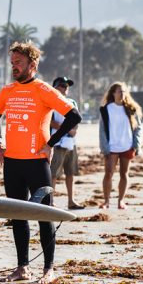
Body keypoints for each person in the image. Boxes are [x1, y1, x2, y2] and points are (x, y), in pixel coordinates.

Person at [0, 42, 81, 284]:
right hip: (12, 163)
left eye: (18, 63)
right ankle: (22, 267)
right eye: (12, 63)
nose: (14, 67)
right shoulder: (8, 90)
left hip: (37, 163)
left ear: (33, 64)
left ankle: (49, 269)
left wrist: (50, 143)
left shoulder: (43, 90)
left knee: (44, 216)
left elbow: (74, 116)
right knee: (18, 216)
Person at [99, 81, 143, 210]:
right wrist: (104, 147)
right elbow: (102, 130)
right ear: (113, 93)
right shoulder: (106, 109)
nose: (122, 93)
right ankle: (106, 201)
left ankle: (121, 201)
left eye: (124, 91)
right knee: (108, 174)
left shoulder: (131, 109)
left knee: (124, 174)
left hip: (127, 145)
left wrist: (136, 145)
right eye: (119, 91)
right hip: (111, 147)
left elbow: (138, 128)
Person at [49, 76, 83, 210]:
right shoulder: (51, 102)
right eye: (62, 85)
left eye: (67, 86)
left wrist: (73, 130)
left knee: (70, 172)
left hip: (70, 142)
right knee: (53, 173)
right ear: (55, 87)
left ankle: (71, 200)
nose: (65, 88)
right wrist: (68, 129)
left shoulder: (72, 102)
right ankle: (50, 200)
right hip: (57, 142)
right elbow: (50, 121)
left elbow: (77, 118)